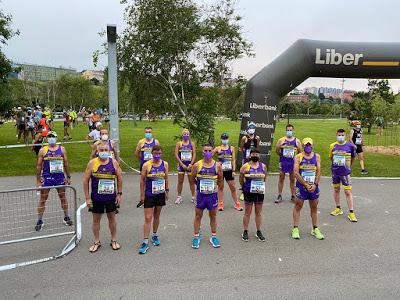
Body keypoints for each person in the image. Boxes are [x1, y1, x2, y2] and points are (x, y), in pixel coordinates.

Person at [83, 141, 123, 253]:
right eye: (101, 150)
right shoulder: (92, 163)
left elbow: (119, 178)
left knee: (112, 218)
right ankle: (97, 241)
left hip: (111, 197)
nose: (104, 152)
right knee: (96, 220)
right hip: (96, 197)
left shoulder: (114, 162)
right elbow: (85, 180)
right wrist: (87, 198)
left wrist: (119, 194)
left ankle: (114, 240)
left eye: (106, 150)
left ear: (109, 151)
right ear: (97, 151)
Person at [35, 131, 73, 231]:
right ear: (47, 138)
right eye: (49, 136)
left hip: (59, 178)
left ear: (56, 138)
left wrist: (68, 176)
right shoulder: (43, 150)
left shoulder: (62, 149)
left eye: (53, 136)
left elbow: (66, 163)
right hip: (47, 178)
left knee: (63, 197)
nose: (51, 138)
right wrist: (38, 181)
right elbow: (38, 166)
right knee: (43, 199)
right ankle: (39, 220)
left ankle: (66, 217)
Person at [190, 144, 223, 249]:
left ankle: (213, 236)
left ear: (213, 151)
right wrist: (200, 187)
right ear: (202, 152)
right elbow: (191, 179)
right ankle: (196, 236)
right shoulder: (197, 165)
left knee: (213, 216)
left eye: (210, 150)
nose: (208, 152)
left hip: (212, 196)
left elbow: (221, 180)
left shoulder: (217, 165)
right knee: (198, 215)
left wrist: (216, 188)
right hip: (201, 195)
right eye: (205, 150)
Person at [138, 145, 169, 254]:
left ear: (162, 154)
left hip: (160, 194)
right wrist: (142, 195)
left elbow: (166, 178)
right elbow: (142, 180)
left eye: (159, 153)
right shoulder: (146, 165)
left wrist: (167, 190)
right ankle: (145, 241)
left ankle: (154, 235)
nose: (157, 155)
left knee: (157, 216)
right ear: (152, 153)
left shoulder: (165, 164)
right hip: (149, 195)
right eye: (155, 153)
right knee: (148, 217)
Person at [292, 138, 324, 240]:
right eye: (306, 145)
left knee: (314, 207)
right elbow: (296, 173)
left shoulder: (317, 156)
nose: (308, 147)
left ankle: (315, 228)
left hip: (313, 186)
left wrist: (315, 184)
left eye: (310, 145)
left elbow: (319, 172)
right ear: (303, 146)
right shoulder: (298, 157)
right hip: (302, 186)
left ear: (312, 146)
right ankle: (295, 228)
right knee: (298, 206)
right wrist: (305, 184)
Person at [329, 129, 357, 222]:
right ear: (336, 135)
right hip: (335, 172)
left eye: (342, 135)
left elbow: (353, 157)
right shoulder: (333, 146)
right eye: (339, 135)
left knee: (348, 192)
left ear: (345, 136)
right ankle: (338, 208)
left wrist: (348, 166)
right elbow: (331, 158)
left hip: (345, 173)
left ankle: (351, 212)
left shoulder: (350, 146)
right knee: (336, 189)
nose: (340, 137)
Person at [239, 149, 267, 242]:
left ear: (259, 156)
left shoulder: (263, 166)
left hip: (259, 192)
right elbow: (241, 178)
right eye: (253, 154)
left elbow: (265, 177)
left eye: (257, 154)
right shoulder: (245, 167)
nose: (255, 155)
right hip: (248, 192)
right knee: (247, 212)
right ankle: (245, 231)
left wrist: (261, 186)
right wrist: (243, 187)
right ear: (250, 156)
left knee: (258, 212)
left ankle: (258, 231)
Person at [214, 132, 242, 211]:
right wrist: (216, 163)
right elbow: (209, 156)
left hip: (229, 170)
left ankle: (237, 203)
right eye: (223, 139)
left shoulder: (231, 148)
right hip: (220, 171)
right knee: (220, 187)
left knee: (233, 187)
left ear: (228, 139)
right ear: (221, 139)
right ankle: (220, 203)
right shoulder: (218, 148)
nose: (225, 140)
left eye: (226, 139)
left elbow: (233, 160)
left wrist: (233, 170)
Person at [275, 124, 303, 203]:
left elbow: (300, 152)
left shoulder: (297, 141)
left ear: (293, 131)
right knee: (281, 178)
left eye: (290, 130)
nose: (289, 132)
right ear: (285, 130)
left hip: (292, 163)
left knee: (292, 179)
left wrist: (296, 159)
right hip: (283, 162)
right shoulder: (281, 140)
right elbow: (277, 150)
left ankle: (293, 196)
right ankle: (279, 195)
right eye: (288, 130)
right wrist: (281, 155)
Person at [174, 129, 196, 204]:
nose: (186, 135)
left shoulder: (192, 143)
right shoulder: (179, 144)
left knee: (191, 181)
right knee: (180, 181)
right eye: (184, 134)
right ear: (182, 135)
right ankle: (179, 197)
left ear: (189, 135)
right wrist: (181, 164)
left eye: (187, 134)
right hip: (181, 165)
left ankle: (193, 197)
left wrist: (191, 164)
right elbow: (176, 154)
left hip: (190, 165)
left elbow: (194, 154)